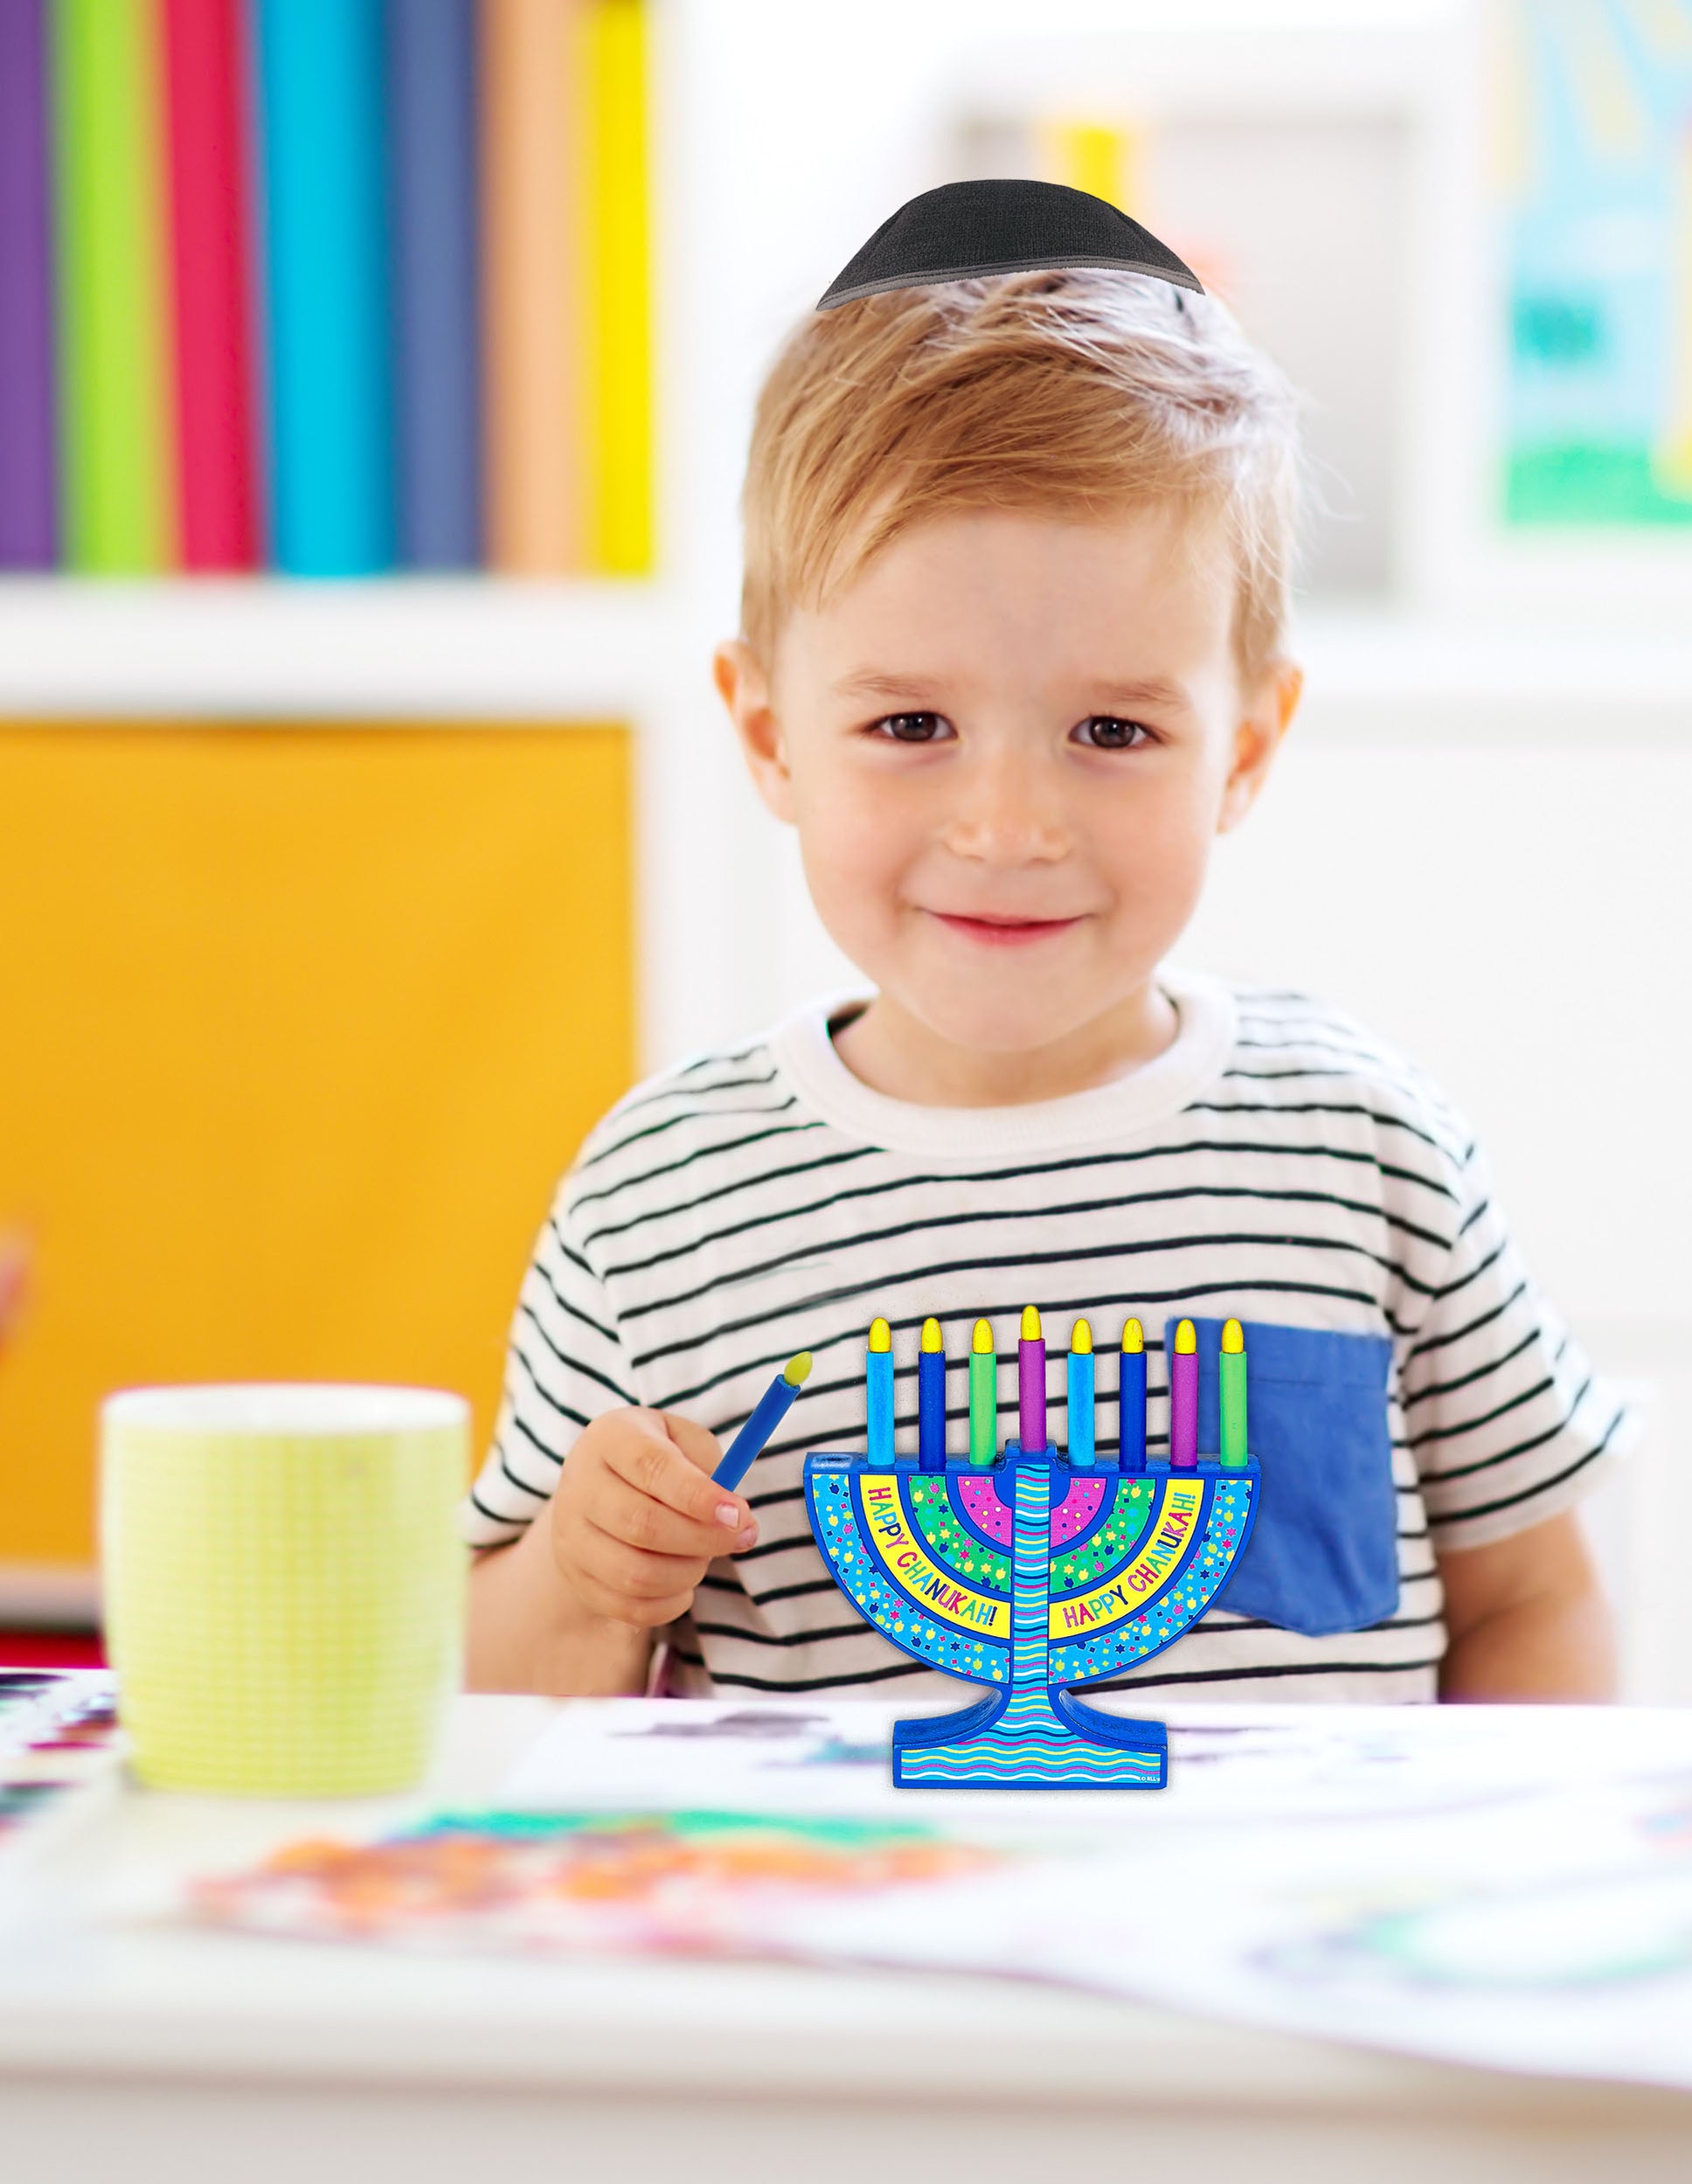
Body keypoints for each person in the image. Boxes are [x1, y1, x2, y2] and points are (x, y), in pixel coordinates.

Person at [465, 183, 1629, 1706]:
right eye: (910, 725)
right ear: (767, 734)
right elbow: (488, 1678)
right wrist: (575, 1573)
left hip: (1292, 1933)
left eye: (1111, 729)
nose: (1009, 825)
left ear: (1248, 746)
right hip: (845, 1933)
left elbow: (1537, 1599)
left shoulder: (1362, 1146)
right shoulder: (666, 1201)